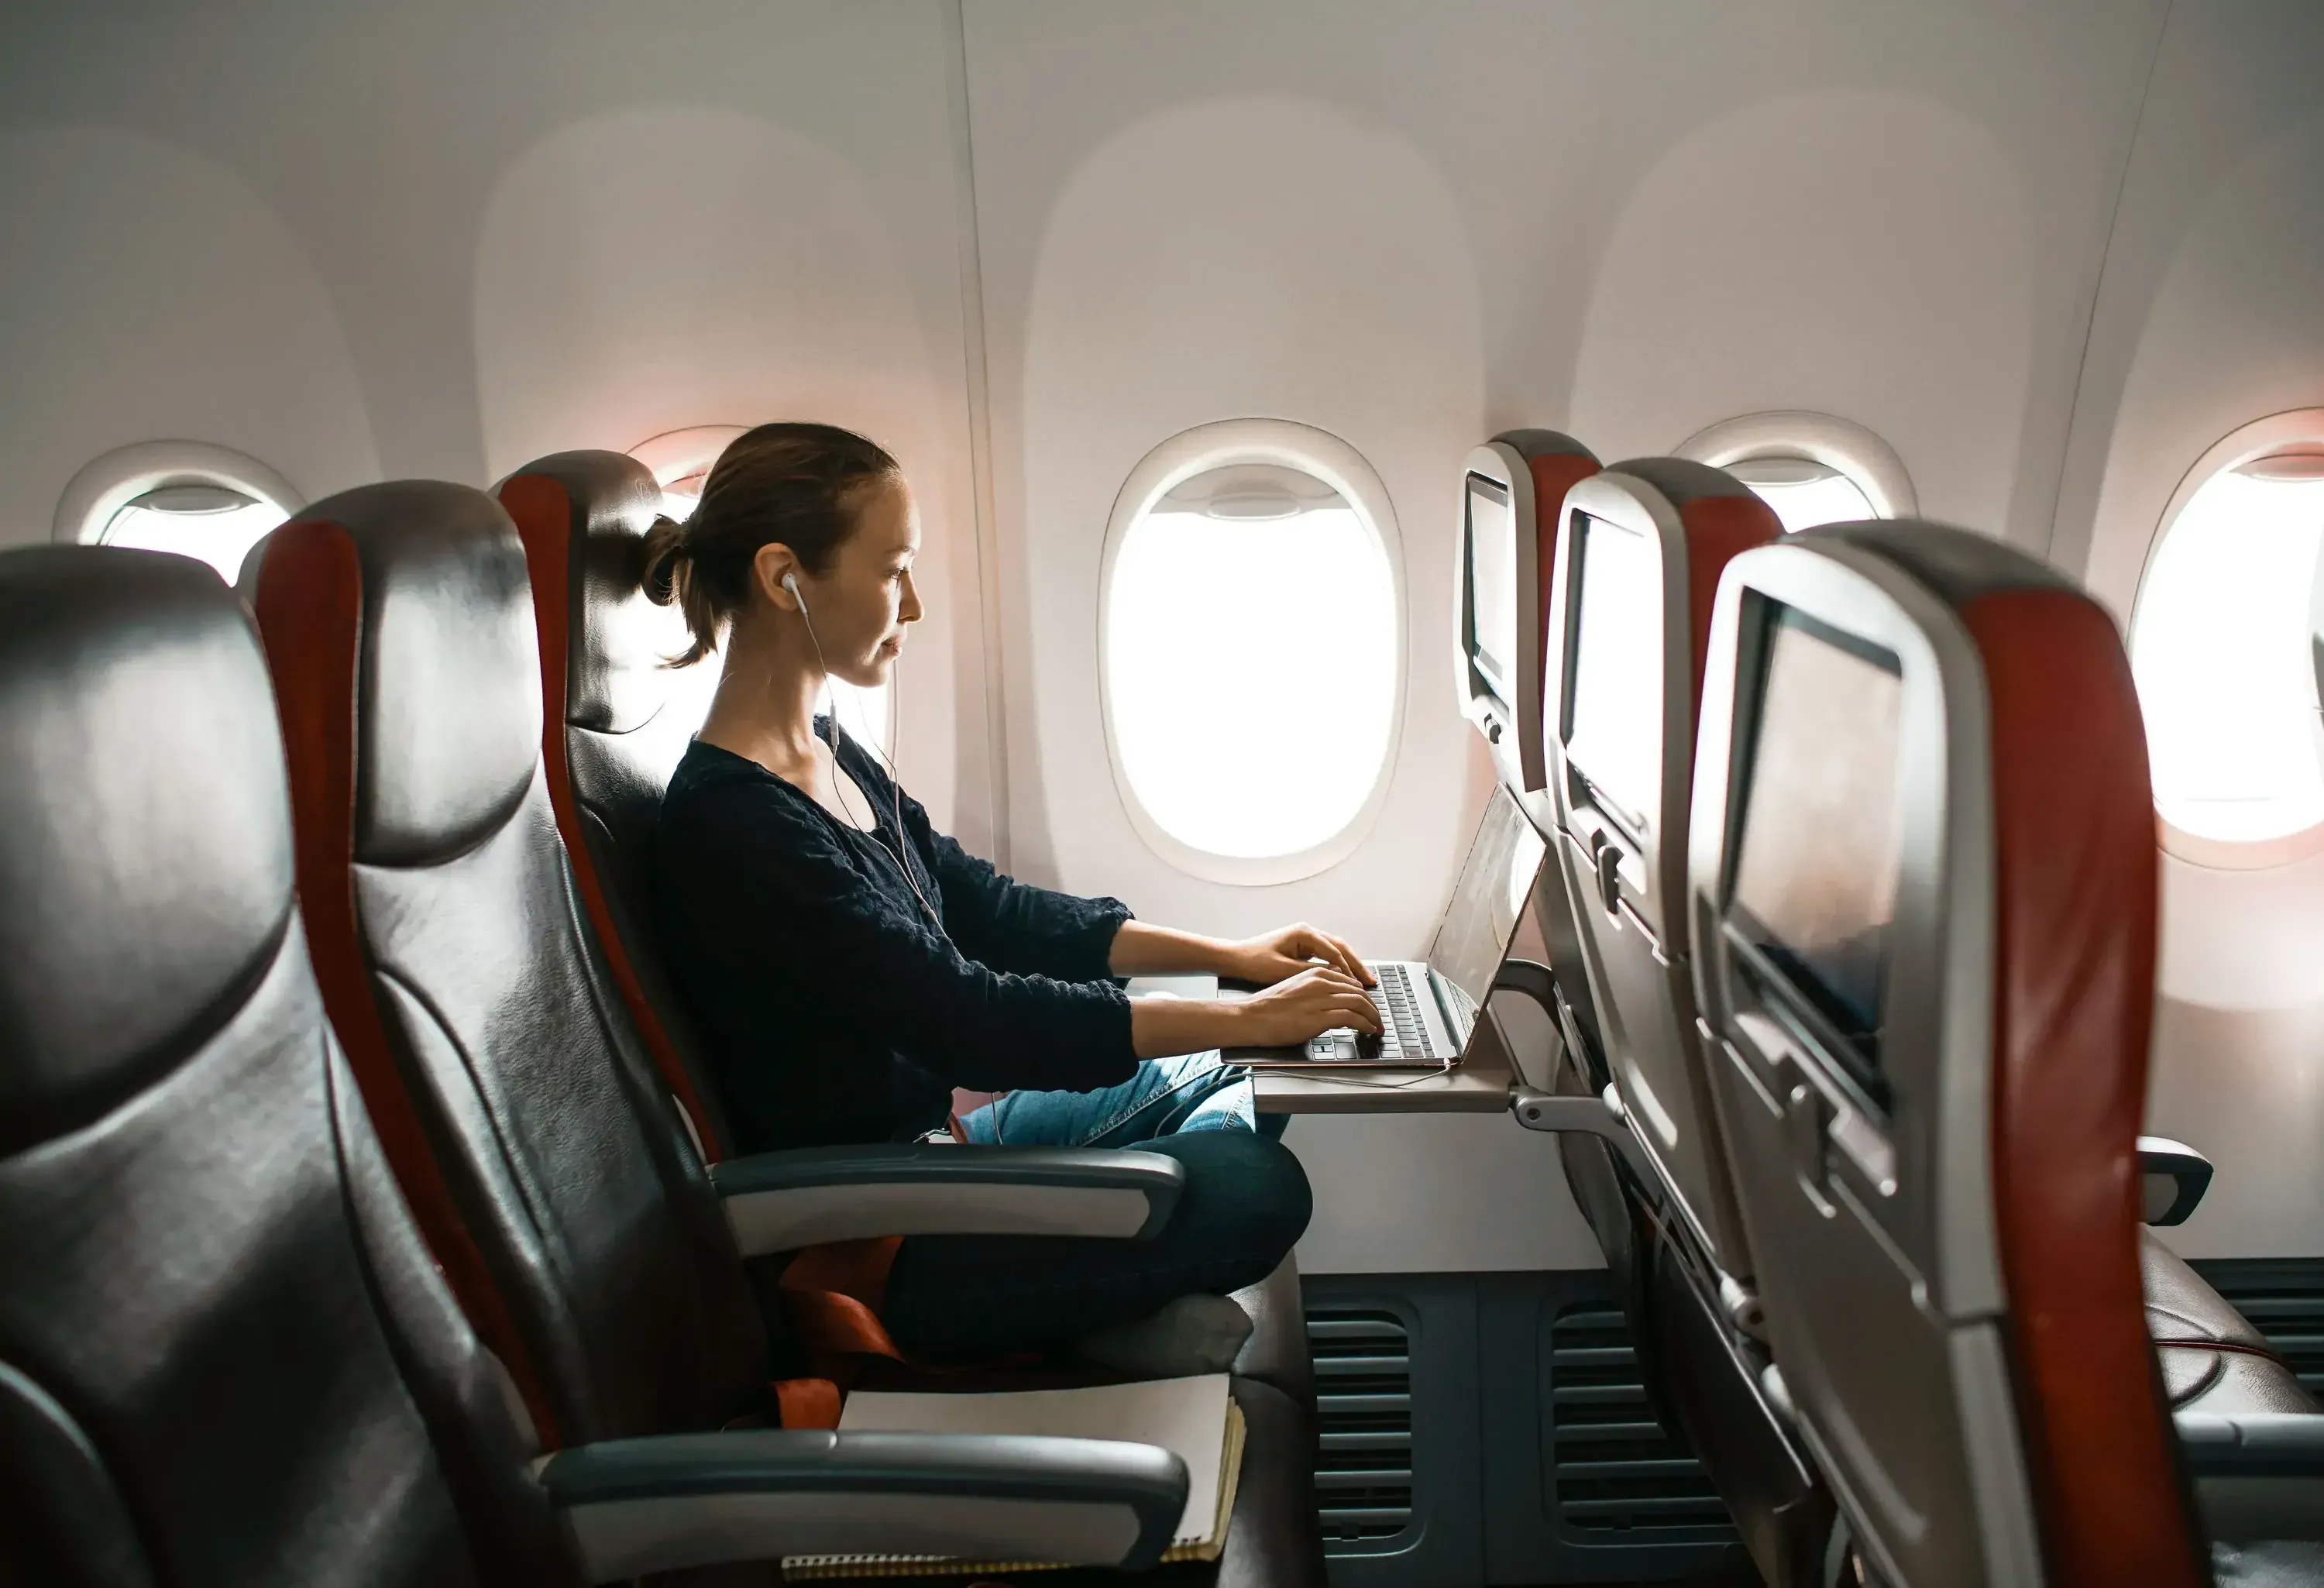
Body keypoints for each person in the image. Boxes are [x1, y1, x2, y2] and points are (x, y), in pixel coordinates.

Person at [648, 421, 1385, 1363]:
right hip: (877, 1229)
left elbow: (992, 911)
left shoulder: (827, 751)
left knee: (1257, 1078)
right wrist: (1242, 1015)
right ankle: (1089, 1328)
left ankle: (1109, 1318)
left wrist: (1230, 962)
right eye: (892, 570)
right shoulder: (736, 827)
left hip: (940, 1154)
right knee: (1258, 1186)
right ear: (784, 576)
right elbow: (971, 1019)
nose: (911, 605)